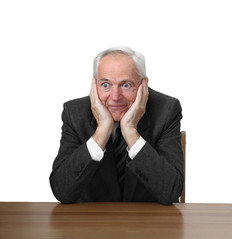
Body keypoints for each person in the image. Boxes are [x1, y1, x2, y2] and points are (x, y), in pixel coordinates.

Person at [50, 46, 184, 204]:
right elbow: (62, 190)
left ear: (144, 85)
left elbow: (171, 191)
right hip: (91, 223)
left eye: (126, 85)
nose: (115, 97)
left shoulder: (166, 110)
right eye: (105, 85)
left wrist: (131, 131)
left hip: (149, 223)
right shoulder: (74, 113)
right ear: (95, 85)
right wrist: (101, 131)